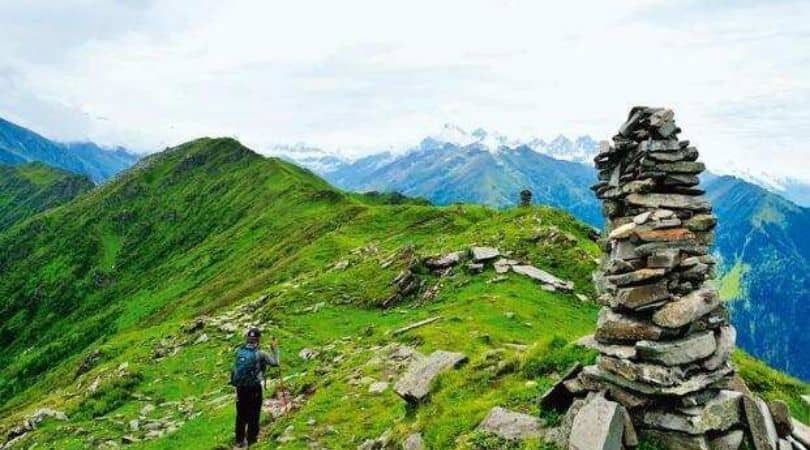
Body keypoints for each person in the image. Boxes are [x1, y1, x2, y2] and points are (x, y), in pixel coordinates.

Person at [230, 326, 279, 448]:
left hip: (240, 388)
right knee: (254, 414)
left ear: (248, 338)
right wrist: (275, 349)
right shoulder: (260, 353)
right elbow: (275, 363)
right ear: (258, 339)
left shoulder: (239, 351)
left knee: (241, 414)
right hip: (254, 388)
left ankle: (239, 440)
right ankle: (252, 441)